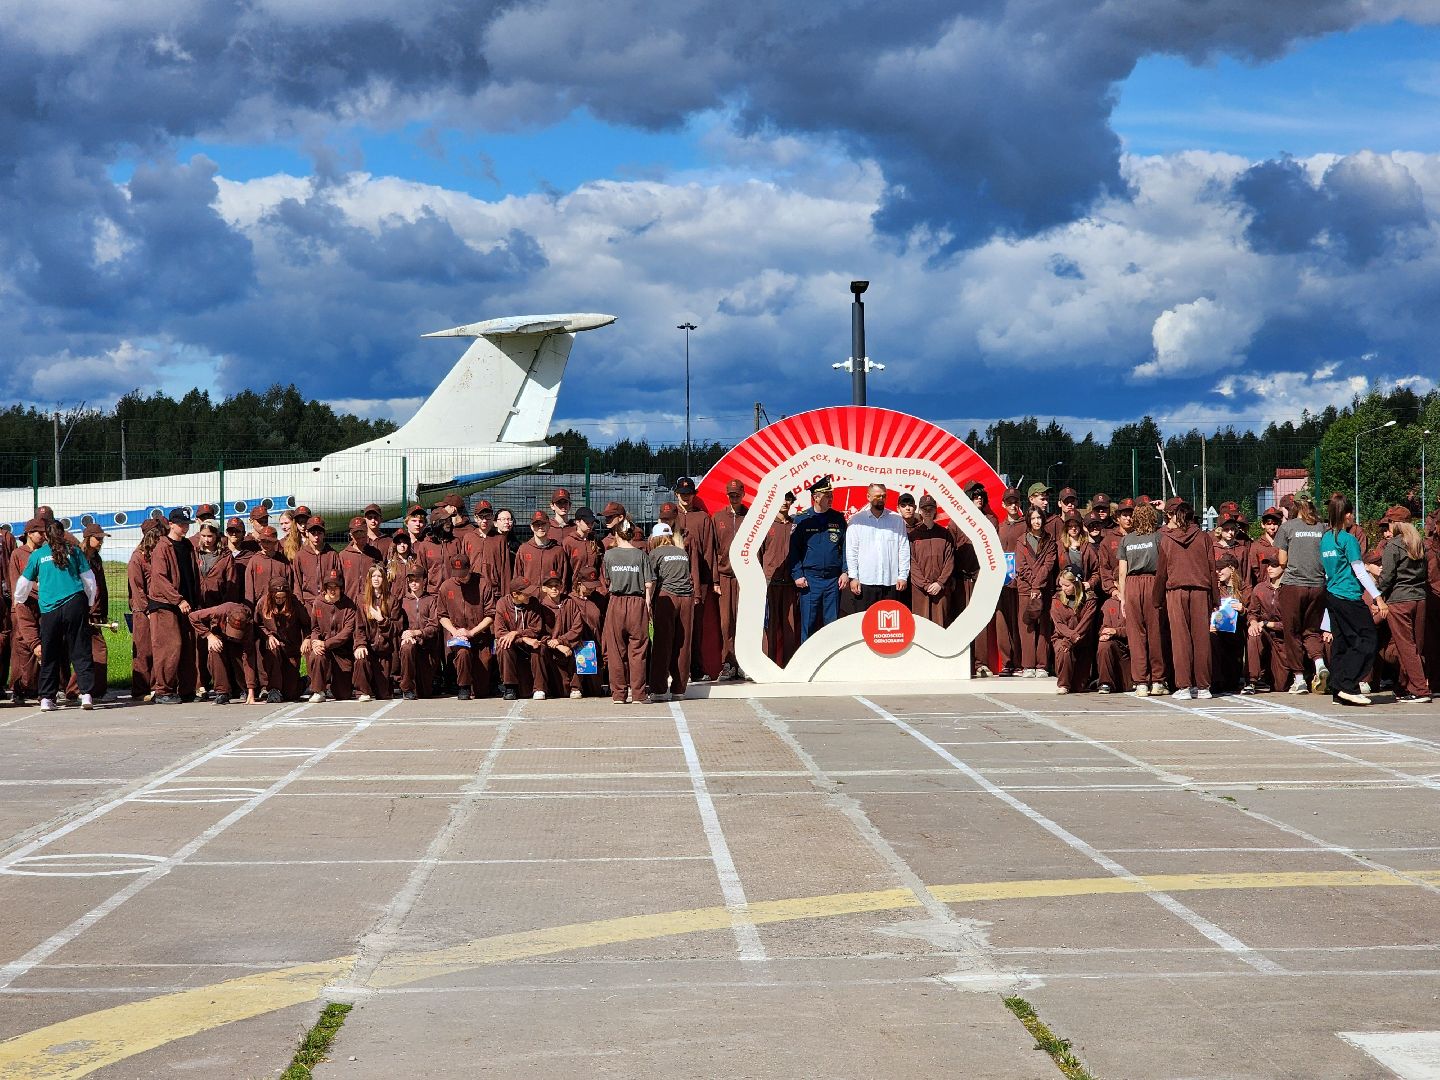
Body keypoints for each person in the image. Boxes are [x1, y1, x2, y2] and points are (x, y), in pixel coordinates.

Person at [13, 518, 100, 711]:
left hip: (50, 608)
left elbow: (24, 583)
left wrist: (18, 599)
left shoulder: (38, 555)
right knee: (80, 648)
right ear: (62, 534)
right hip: (74, 603)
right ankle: (86, 695)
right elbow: (90, 580)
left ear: (46, 535)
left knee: (50, 652)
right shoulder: (75, 551)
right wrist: (90, 601)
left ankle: (46, 698)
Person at [1319, 494, 1386, 706]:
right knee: (1367, 639)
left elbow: (1328, 572)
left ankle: (1338, 688)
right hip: (1348, 595)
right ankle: (1348, 683)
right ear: (1347, 515)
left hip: (1332, 594)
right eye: (1351, 513)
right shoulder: (1348, 540)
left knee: (1343, 641)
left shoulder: (1326, 539)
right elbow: (1360, 571)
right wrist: (1378, 597)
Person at [1155, 501, 1219, 700]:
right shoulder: (1204, 538)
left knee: (1180, 639)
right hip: (1201, 591)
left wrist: (1156, 599)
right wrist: (1215, 598)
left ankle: (1183, 687)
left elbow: (1161, 572)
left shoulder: (1167, 540)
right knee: (1202, 639)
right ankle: (1203, 687)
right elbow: (1211, 569)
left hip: (1176, 591)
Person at [1275, 494, 1329, 695]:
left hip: (1293, 585)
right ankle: (1319, 664)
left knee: (1292, 632)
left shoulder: (1288, 527)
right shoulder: (1322, 527)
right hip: (1318, 585)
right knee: (1312, 630)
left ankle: (1299, 679)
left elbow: (1282, 561)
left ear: (1292, 508)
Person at [148, 507, 201, 704]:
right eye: (181, 524)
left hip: (187, 604)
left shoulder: (187, 545)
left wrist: (193, 598)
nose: (184, 527)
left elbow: (193, 573)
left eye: (186, 523)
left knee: (188, 646)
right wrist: (178, 599)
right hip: (165, 604)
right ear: (171, 524)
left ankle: (187, 690)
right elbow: (160, 578)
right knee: (170, 646)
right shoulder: (162, 547)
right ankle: (163, 690)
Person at [1377, 512, 1430, 702]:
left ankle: (1420, 690)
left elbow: (1387, 578)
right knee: (1416, 646)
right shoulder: (1419, 543)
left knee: (1406, 647)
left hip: (1399, 600)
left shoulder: (1394, 545)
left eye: (1389, 523)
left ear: (1396, 524)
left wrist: (1377, 593)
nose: (1388, 527)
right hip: (1420, 599)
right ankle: (1403, 686)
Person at [789, 476, 849, 643]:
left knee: (832, 625)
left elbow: (845, 547)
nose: (831, 498)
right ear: (815, 497)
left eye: (831, 495)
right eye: (827, 495)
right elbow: (793, 550)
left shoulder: (838, 518)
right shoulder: (802, 519)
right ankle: (806, 665)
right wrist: (797, 575)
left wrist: (845, 571)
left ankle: (831, 664)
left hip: (832, 580)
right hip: (810, 580)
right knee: (808, 623)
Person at [601, 513, 653, 704]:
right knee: (638, 650)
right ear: (631, 534)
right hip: (637, 602)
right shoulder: (641, 555)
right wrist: (647, 605)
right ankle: (638, 694)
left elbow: (606, 581)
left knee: (615, 650)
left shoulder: (609, 555)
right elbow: (649, 584)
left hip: (616, 602)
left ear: (616, 534)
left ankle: (619, 695)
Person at [1117, 503, 1167, 697]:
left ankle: (1140, 683)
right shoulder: (1158, 537)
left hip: (1131, 585)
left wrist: (1122, 597)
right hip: (1153, 582)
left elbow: (1122, 572)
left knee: (1136, 634)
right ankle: (1157, 681)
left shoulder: (1126, 540)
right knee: (1155, 632)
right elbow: (1163, 566)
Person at [438, 555, 495, 700]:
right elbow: (442, 616)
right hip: (458, 637)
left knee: (482, 691)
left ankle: (481, 684)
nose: (461, 578)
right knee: (462, 653)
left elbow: (490, 615)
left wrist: (472, 632)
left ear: (469, 568)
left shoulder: (483, 583)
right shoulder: (446, 586)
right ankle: (463, 687)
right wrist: (455, 632)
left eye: (463, 574)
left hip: (479, 636)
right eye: (457, 575)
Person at [647, 522, 693, 702]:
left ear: (655, 538)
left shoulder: (655, 553)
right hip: (687, 599)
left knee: (662, 643)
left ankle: (658, 689)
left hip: (668, 598)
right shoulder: (682, 553)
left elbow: (651, 581)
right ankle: (679, 689)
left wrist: (648, 604)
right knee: (683, 644)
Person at [846, 482, 909, 609]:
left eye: (884, 496)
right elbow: (852, 550)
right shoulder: (856, 521)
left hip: (891, 582)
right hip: (865, 582)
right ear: (868, 497)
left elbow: (903, 549)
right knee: (864, 623)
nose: (881, 499)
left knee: (888, 625)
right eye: (877, 496)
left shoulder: (896, 520)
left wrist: (903, 575)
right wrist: (853, 577)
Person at [188, 603, 259, 705]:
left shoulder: (248, 626)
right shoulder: (218, 611)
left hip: (239, 642)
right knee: (215, 649)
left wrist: (251, 690)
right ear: (226, 620)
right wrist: (208, 635)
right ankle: (222, 692)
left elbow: (249, 658)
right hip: (218, 634)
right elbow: (193, 616)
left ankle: (247, 690)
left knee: (241, 662)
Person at [712, 479, 747, 680]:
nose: (734, 497)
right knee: (726, 623)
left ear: (743, 494)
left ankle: (743, 663)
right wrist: (716, 580)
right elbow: (713, 550)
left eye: (737, 494)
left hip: (745, 578)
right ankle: (728, 663)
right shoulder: (718, 518)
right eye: (730, 494)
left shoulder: (750, 517)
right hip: (725, 577)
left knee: (742, 621)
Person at [1014, 506, 1056, 677]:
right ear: (1028, 521)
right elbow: (1021, 566)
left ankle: (1042, 665)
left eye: (1039, 518)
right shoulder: (1021, 540)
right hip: (1025, 590)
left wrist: (1038, 586)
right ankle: (1028, 666)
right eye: (1033, 518)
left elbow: (1048, 565)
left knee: (1044, 627)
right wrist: (1032, 586)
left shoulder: (1050, 540)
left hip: (1044, 589)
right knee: (1027, 626)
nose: (1036, 521)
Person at [759, 491, 799, 666]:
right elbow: (758, 554)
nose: (785, 502)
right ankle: (767, 664)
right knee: (769, 627)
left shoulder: (795, 525)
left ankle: (789, 665)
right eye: (783, 499)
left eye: (789, 499)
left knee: (790, 626)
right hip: (769, 583)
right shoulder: (765, 525)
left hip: (790, 583)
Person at [306, 569, 358, 703]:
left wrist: (327, 643)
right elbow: (315, 628)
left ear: (341, 588)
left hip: (342, 650)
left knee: (343, 694)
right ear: (325, 588)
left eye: (336, 587)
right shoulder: (318, 602)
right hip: (323, 648)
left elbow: (347, 632)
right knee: (317, 655)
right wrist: (315, 642)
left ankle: (335, 686)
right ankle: (318, 690)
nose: (332, 590)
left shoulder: (349, 605)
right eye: (329, 587)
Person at [127, 519, 164, 701]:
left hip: (157, 607)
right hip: (143, 610)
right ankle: (140, 689)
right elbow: (137, 587)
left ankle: (156, 686)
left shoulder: (155, 555)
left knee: (158, 648)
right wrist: (146, 609)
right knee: (143, 650)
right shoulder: (137, 558)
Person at [256, 577, 309, 702]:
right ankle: (273, 689)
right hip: (273, 647)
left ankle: (304, 681)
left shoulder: (295, 603)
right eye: (277, 598)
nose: (280, 600)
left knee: (291, 695)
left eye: (283, 597)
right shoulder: (262, 603)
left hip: (291, 649)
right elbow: (257, 625)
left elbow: (306, 623)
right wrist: (268, 636)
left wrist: (307, 638)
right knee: (273, 648)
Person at [493, 583, 547, 700]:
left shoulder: (534, 603)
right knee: (503, 646)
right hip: (514, 644)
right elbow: (500, 633)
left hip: (529, 644)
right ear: (515, 594)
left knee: (539, 646)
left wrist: (516, 633)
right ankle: (509, 687)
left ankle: (539, 688)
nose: (530, 595)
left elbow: (536, 629)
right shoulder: (502, 604)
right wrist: (523, 638)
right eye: (526, 593)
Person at [1245, 555, 1289, 694]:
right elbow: (1252, 612)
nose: (1269, 568)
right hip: (1263, 633)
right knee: (1253, 634)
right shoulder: (1260, 588)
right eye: (1268, 565)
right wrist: (1252, 622)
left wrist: (1267, 624)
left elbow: (1292, 623)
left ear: (1284, 567)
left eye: (1274, 565)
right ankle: (1252, 680)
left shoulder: (1290, 589)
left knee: (1280, 686)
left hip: (1283, 638)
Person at [908, 495, 954, 626]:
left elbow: (949, 561)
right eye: (924, 509)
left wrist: (940, 583)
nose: (927, 512)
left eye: (931, 508)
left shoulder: (944, 534)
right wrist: (925, 585)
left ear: (935, 510)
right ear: (920, 511)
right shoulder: (913, 535)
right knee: (921, 626)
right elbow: (911, 563)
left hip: (941, 589)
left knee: (941, 625)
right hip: (920, 590)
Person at [539, 574, 587, 698]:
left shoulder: (570, 603)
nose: (554, 589)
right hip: (552, 649)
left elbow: (578, 626)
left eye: (557, 585)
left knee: (581, 649)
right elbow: (541, 633)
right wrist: (558, 645)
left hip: (571, 643)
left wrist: (563, 641)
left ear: (561, 586)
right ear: (544, 589)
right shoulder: (541, 607)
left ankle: (576, 687)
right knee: (562, 691)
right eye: (550, 586)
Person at [1050, 568, 1097, 694]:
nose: (1063, 588)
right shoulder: (1057, 599)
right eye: (1061, 585)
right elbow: (1058, 624)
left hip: (1082, 640)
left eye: (1067, 585)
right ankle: (1063, 684)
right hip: (1062, 637)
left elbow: (1085, 624)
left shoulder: (1090, 600)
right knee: (1063, 650)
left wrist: (1074, 638)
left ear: (1076, 584)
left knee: (1079, 687)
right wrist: (1070, 637)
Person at [354, 563, 397, 702]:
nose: (376, 579)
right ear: (369, 579)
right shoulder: (361, 599)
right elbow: (358, 627)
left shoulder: (391, 599)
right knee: (361, 658)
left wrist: (381, 620)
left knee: (383, 694)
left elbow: (397, 628)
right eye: (373, 576)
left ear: (384, 579)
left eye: (379, 576)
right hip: (368, 648)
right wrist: (360, 644)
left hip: (384, 650)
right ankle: (362, 691)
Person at [994, 490, 1026, 675]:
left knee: (1019, 622)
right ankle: (1007, 663)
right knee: (1002, 622)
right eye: (1009, 502)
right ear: (1003, 505)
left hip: (1020, 581)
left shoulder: (1026, 526)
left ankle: (1020, 662)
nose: (1013, 506)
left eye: (1016, 502)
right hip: (1002, 582)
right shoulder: (1000, 527)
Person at [397, 569, 439, 700]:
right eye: (411, 581)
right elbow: (398, 624)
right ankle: (406, 688)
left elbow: (434, 626)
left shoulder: (431, 600)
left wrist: (418, 633)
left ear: (424, 581)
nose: (413, 583)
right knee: (407, 647)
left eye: (417, 580)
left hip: (427, 646)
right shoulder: (402, 601)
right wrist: (407, 636)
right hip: (410, 644)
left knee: (425, 693)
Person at [512, 511, 569, 598]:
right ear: (531, 527)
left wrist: (559, 597)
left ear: (549, 525)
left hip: (550, 599)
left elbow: (563, 577)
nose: (540, 527)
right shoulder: (524, 549)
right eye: (536, 524)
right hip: (529, 598)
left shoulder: (558, 551)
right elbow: (517, 576)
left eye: (543, 524)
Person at [1095, 590, 1130, 694]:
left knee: (1127, 686)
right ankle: (1105, 683)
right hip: (1115, 644)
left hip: (1131, 646)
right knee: (1104, 645)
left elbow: (1137, 629)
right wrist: (1105, 634)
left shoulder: (1133, 600)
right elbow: (1102, 627)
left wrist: (1116, 631)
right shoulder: (1108, 603)